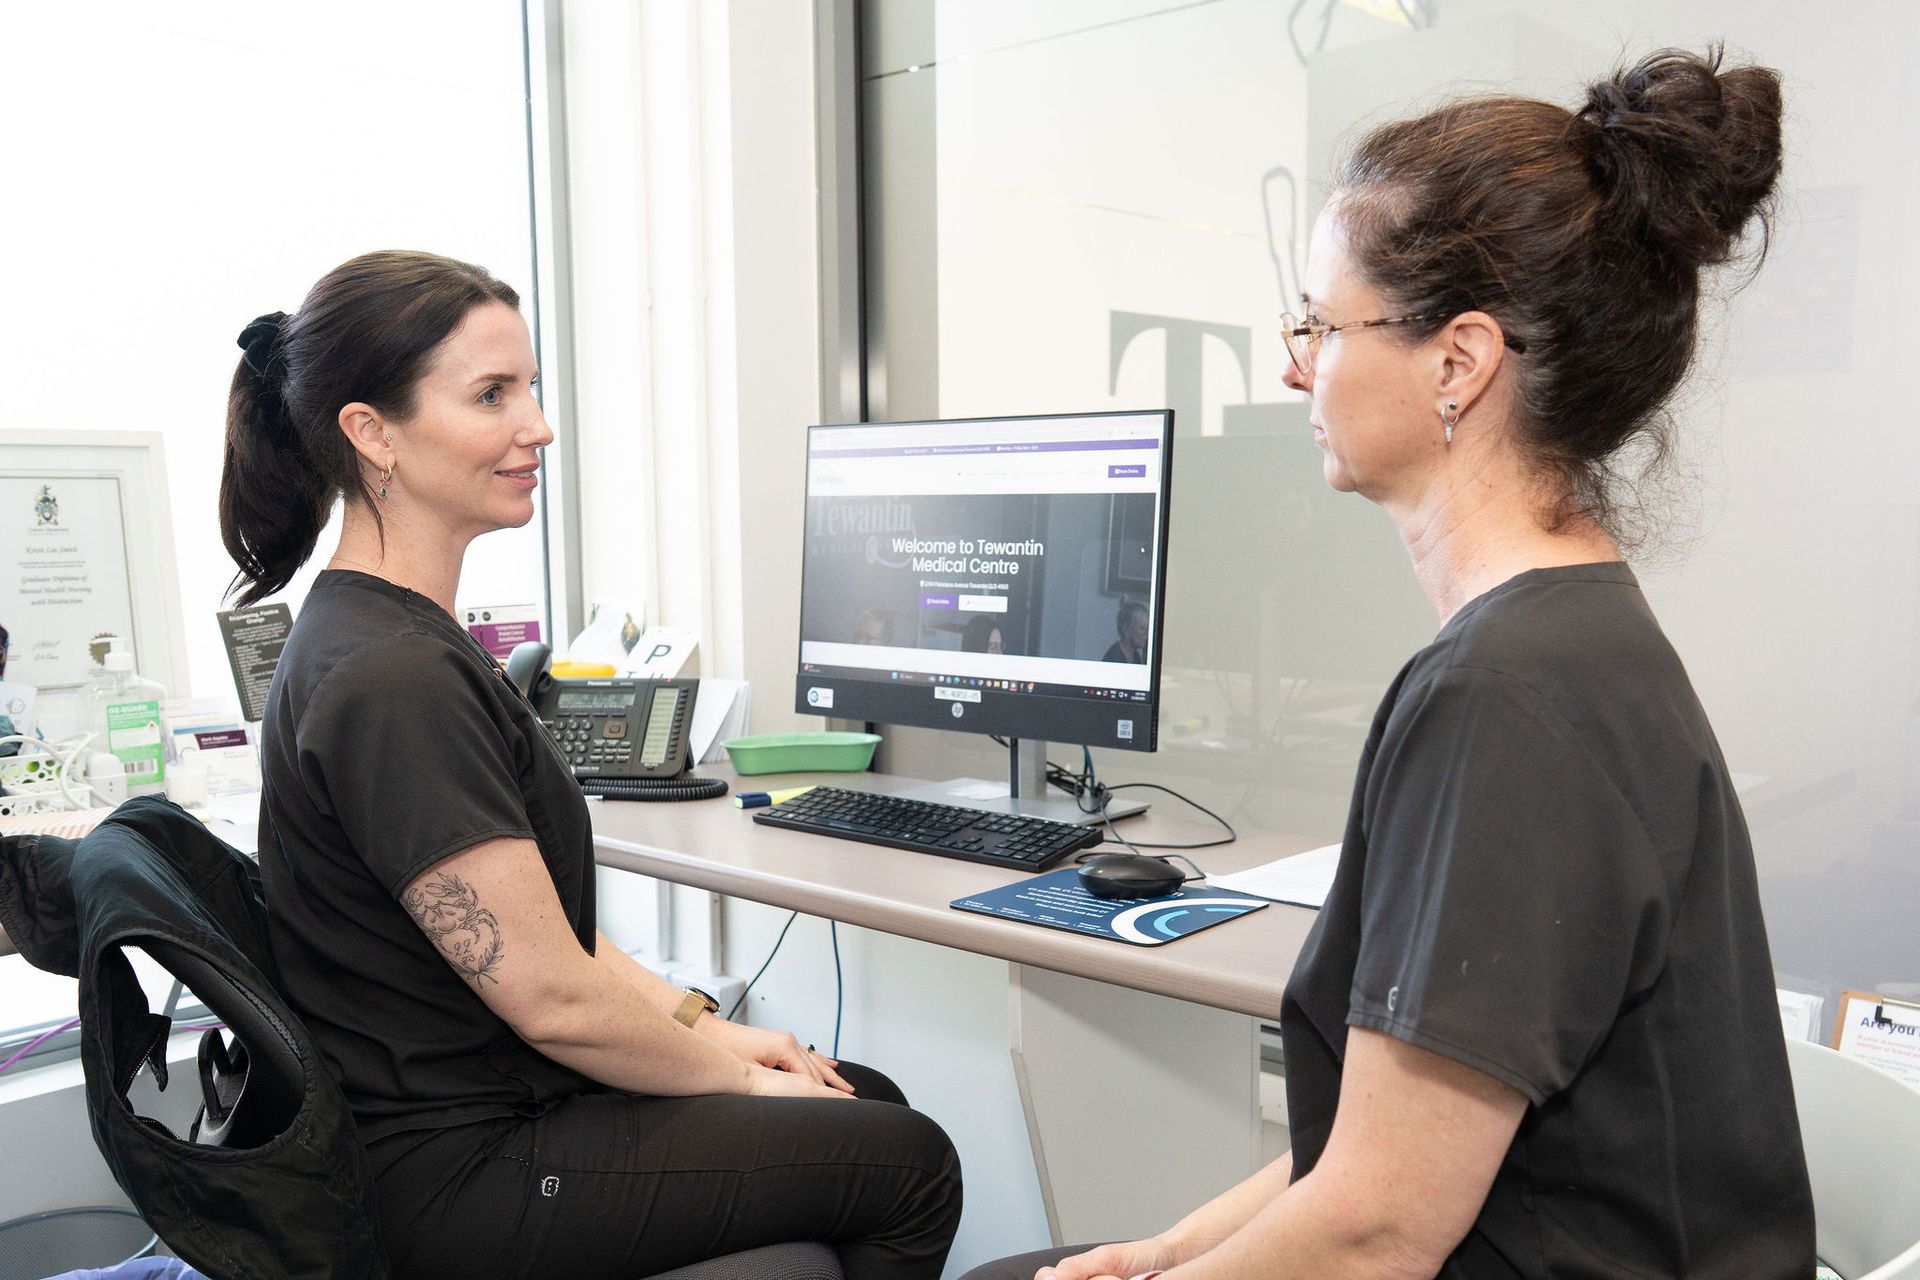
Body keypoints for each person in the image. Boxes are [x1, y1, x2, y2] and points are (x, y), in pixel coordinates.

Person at [963, 46, 1812, 1280]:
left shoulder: (1506, 694)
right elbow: (1385, 1148)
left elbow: (1376, 1228)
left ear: (1459, 363)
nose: (1297, 364)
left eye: (1319, 322)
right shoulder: (1566, 634)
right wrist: (1168, 1250)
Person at [221, 251, 961, 1280]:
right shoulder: (390, 677)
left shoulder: (390, 637)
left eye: (530, 388)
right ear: (372, 432)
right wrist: (740, 1086)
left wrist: (711, 1032)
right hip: (459, 1173)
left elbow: (553, 943)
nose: (538, 425)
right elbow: (553, 996)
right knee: (913, 1162)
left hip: (487, 1118)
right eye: (492, 395)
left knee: (854, 1087)